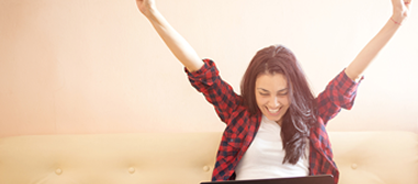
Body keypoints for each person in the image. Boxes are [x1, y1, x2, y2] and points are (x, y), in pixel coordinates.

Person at [136, 0, 412, 183]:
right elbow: (198, 69)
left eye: (283, 93)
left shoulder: (312, 117)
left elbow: (352, 74)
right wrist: (152, 14)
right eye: (263, 93)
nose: (274, 103)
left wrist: (395, 22)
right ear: (251, 89)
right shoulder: (238, 114)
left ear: (295, 89)